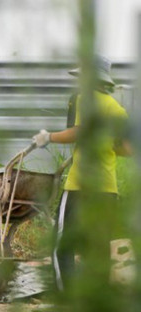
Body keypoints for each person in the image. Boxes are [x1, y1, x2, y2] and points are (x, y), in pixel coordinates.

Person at [32, 55, 132, 292]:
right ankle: (97, 302)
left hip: (80, 185)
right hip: (107, 188)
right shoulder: (116, 107)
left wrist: (48, 137)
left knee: (62, 243)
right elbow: (127, 149)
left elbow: (76, 132)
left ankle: (65, 298)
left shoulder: (84, 98)